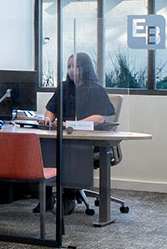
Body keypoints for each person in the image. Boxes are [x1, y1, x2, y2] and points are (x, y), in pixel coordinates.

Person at [41, 51, 115, 214]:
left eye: (76, 66)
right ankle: (45, 196)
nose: (72, 70)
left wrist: (73, 125)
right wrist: (47, 119)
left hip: (87, 140)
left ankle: (69, 196)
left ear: (86, 69)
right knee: (43, 146)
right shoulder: (64, 87)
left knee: (70, 151)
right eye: (69, 66)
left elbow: (100, 118)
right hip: (64, 135)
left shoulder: (96, 89)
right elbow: (51, 109)